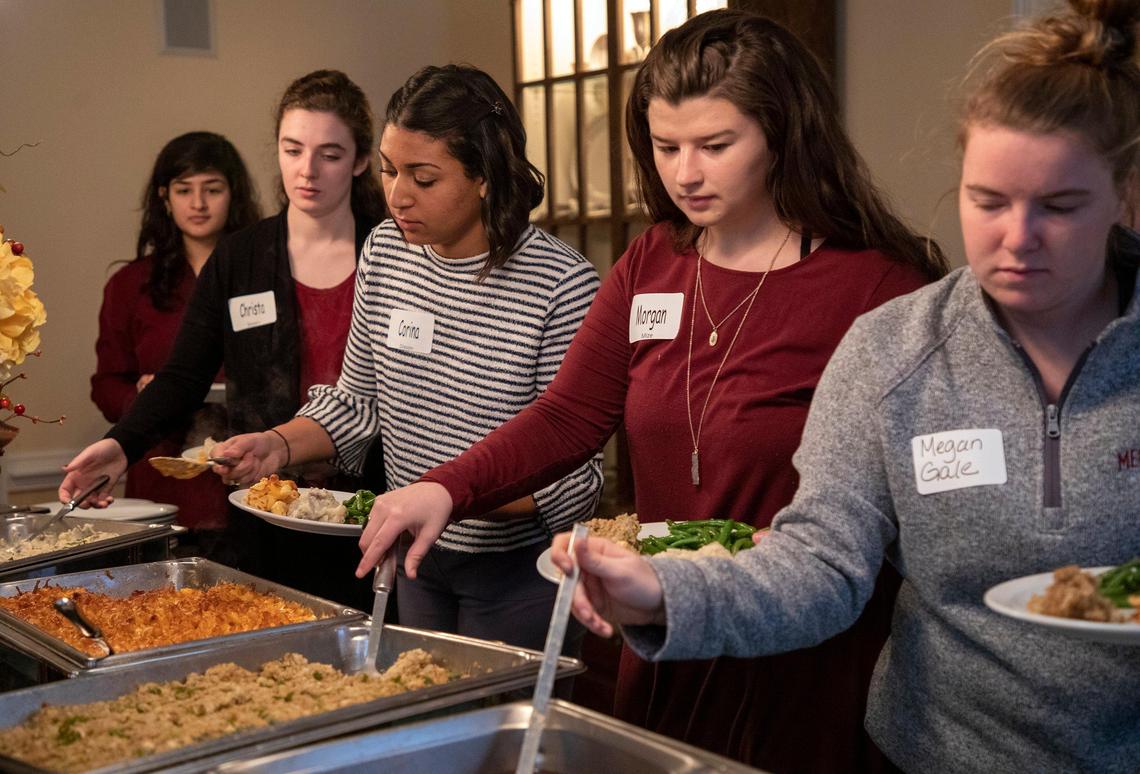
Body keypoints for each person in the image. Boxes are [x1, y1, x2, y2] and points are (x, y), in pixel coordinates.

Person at [551, 1, 1140, 771]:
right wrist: (666, 595)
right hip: (934, 752)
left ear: (1124, 191)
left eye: (1060, 207)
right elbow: (821, 564)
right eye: (987, 202)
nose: (1016, 237)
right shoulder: (895, 350)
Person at [351, 11, 948, 772]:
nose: (685, 173)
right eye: (666, 148)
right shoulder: (653, 262)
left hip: (803, 652)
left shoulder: (878, 287)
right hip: (659, 621)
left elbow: (927, 504)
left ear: (784, 135)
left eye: (715, 146)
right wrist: (447, 488)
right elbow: (569, 415)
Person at [213, 64, 604, 651]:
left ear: (485, 178)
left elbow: (573, 478)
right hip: (415, 564)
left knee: (501, 735)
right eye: (392, 170)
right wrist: (280, 444)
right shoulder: (388, 250)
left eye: (423, 177)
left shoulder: (561, 282)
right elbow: (357, 402)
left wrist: (443, 498)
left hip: (518, 575)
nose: (397, 195)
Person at [61, 70, 387, 607]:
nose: (306, 171)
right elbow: (184, 375)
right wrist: (123, 445)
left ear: (358, 160)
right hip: (268, 509)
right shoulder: (239, 258)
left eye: (329, 154)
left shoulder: (394, 248)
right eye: (292, 149)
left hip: (374, 509)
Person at [91, 131, 260, 558]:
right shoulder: (131, 284)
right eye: (184, 190)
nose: (198, 204)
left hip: (247, 472)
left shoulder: (261, 274)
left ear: (233, 195)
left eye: (212, 189)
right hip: (161, 477)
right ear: (165, 197)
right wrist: (140, 395)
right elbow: (106, 383)